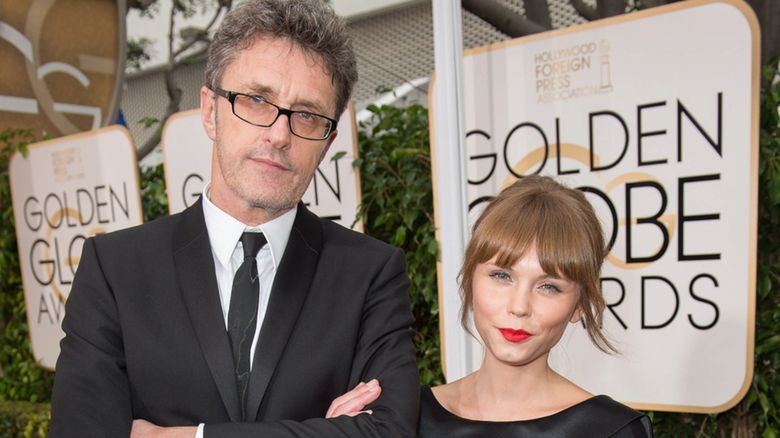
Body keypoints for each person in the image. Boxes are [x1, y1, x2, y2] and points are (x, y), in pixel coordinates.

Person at [49, 1, 419, 437]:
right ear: (210, 111)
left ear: (328, 140)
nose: (279, 134)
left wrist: (185, 436)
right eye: (257, 100)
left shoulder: (369, 273)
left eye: (306, 114)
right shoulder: (115, 268)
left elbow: (388, 432)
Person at [419, 175, 653, 437]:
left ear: (580, 305)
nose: (519, 307)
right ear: (471, 280)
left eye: (549, 287)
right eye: (502, 276)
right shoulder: (407, 417)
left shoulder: (611, 430)